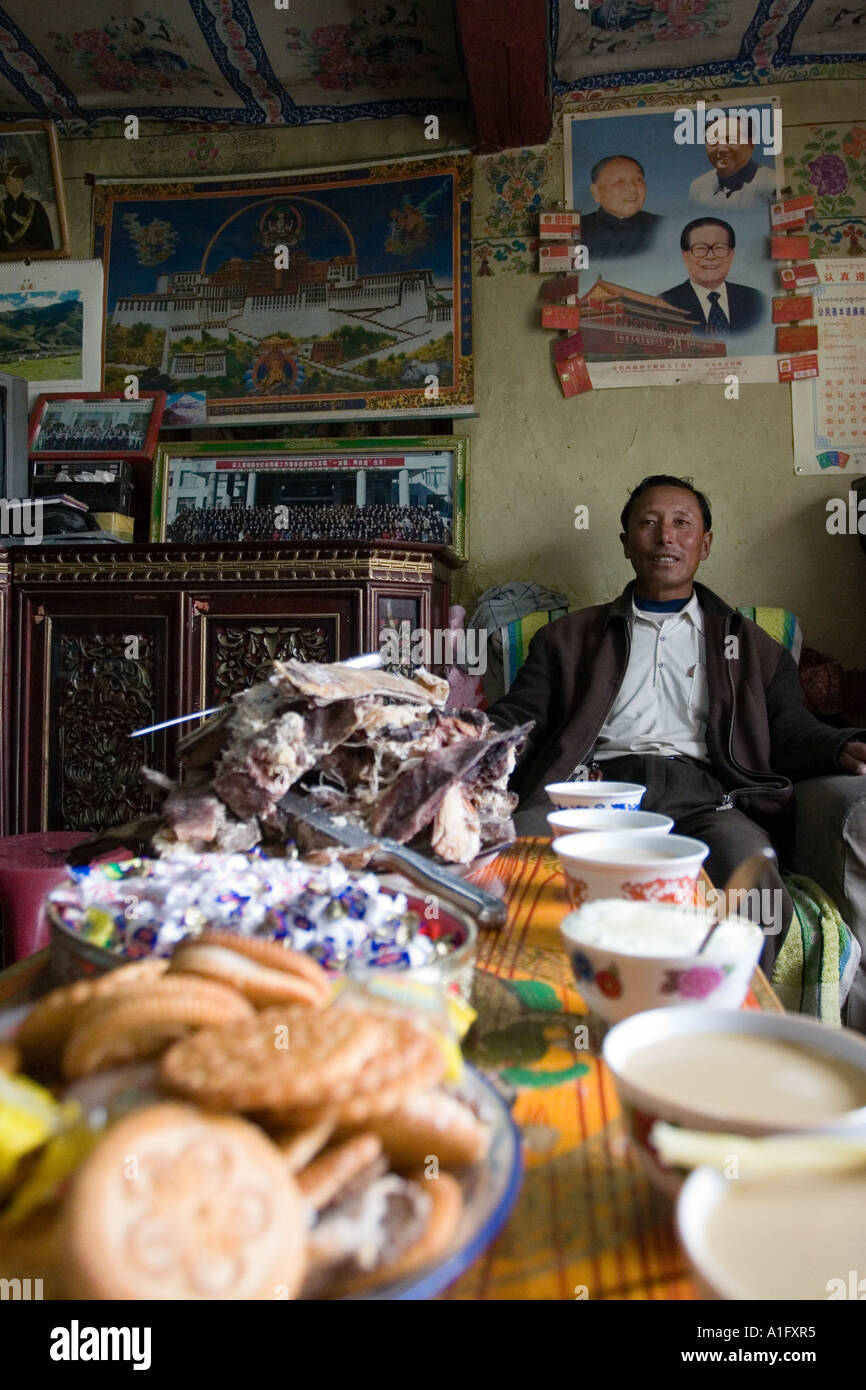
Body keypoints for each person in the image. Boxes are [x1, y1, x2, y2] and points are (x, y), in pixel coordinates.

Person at [488, 475, 866, 968]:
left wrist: (840, 748)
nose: (665, 536)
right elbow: (521, 716)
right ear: (627, 543)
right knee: (515, 853)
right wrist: (461, 739)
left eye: (681, 524)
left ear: (704, 544)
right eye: (648, 523)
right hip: (593, 793)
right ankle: (531, 1004)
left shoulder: (753, 647)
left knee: (751, 872)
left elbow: (791, 730)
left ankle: (730, 1019)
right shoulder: (568, 638)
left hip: (707, 799)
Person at [660, 219, 764, 336]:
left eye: (719, 248)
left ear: (731, 255)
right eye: (700, 248)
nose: (710, 256)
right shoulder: (665, 303)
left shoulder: (755, 299)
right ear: (685, 256)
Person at [580, 156, 662, 260]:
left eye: (638, 180)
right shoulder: (577, 229)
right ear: (596, 192)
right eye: (620, 181)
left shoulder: (664, 226)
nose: (632, 188)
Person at [689, 127, 777, 208]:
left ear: (750, 144)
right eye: (713, 142)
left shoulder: (773, 182)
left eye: (731, 140)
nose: (722, 149)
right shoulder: (697, 188)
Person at [0, 158, 54, 254]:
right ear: (5, 185)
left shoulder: (36, 207)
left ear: (23, 182)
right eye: (9, 182)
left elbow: (46, 242)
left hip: (35, 260)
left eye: (17, 181)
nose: (14, 186)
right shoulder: (1, 208)